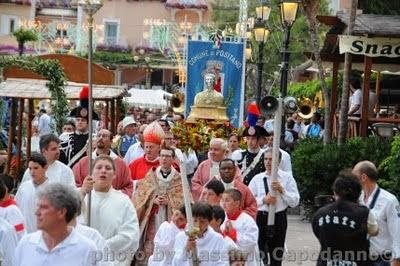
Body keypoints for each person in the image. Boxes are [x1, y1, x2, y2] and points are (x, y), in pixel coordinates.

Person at [13, 183, 99, 266]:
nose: (37, 213)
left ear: (61, 212)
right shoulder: (25, 244)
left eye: (44, 207)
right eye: (38, 206)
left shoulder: (87, 249)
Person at [79, 155, 139, 266]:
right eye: (99, 167)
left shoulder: (123, 201)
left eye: (108, 168)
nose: (103, 171)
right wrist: (82, 193)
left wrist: (101, 246)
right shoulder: (81, 197)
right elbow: (70, 225)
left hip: (112, 260)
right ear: (91, 173)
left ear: (114, 175)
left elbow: (130, 235)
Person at [312, 170, 379, 266]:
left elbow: (317, 232)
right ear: (358, 193)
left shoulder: (320, 213)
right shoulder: (364, 213)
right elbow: (374, 231)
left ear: (335, 191)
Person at [248, 148, 300, 266]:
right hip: (261, 217)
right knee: (259, 253)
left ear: (279, 161)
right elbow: (249, 202)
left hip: (279, 218)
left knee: (277, 253)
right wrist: (263, 200)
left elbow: (295, 201)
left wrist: (282, 190)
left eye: (271, 159)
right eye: (266, 159)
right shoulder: (257, 179)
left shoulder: (287, 178)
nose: (268, 162)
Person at [133, 146, 184, 260]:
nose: (164, 158)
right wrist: (152, 200)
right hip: (152, 217)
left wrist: (169, 202)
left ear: (173, 159)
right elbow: (139, 197)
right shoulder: (151, 176)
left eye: (168, 156)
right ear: (159, 157)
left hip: (169, 217)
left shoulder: (179, 178)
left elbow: (185, 201)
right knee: (151, 243)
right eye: (162, 156)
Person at [352, 161, 400, 266]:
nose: (352, 180)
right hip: (361, 259)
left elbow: (397, 234)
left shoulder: (389, 200)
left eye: (354, 176)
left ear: (363, 177)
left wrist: (397, 260)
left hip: (382, 260)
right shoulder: (357, 199)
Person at [74, 129, 133, 196]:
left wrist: (115, 196)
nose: (101, 138)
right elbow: (76, 185)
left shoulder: (121, 164)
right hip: (89, 203)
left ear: (111, 141)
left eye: (104, 136)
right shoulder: (83, 162)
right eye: (99, 136)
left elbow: (129, 187)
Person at [59, 86, 99, 168]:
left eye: (83, 120)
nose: (80, 122)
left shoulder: (94, 138)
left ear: (88, 123)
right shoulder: (66, 138)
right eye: (78, 120)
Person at [221, 189, 260, 266]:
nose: (224, 204)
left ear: (237, 203)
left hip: (246, 261)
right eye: (223, 200)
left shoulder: (247, 220)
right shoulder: (222, 218)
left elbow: (251, 242)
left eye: (227, 200)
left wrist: (234, 235)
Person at [15, 152, 50, 232]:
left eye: (36, 168)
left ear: (45, 168)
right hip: (25, 234)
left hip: (44, 236)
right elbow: (17, 209)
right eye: (30, 168)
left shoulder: (53, 190)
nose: (32, 172)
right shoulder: (24, 187)